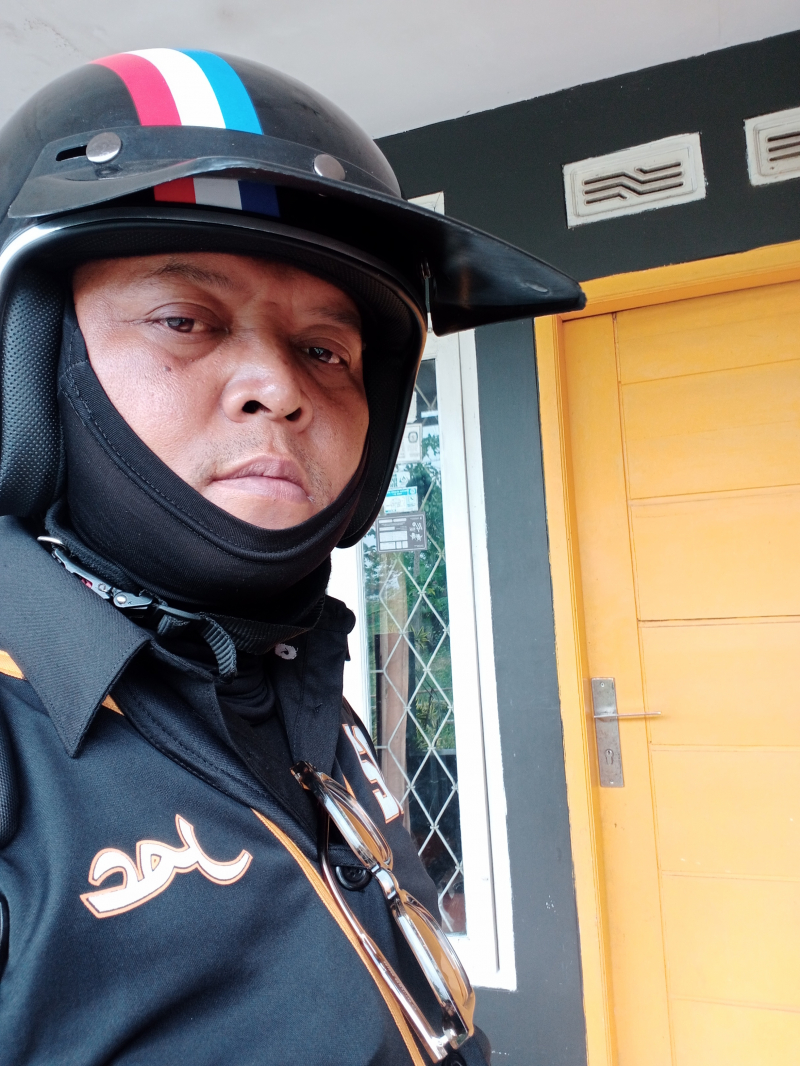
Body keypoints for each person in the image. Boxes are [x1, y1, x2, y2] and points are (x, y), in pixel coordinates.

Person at [0, 49, 584, 1065]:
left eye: (325, 350)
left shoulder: (290, 673)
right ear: (31, 362)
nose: (279, 387)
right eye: (185, 320)